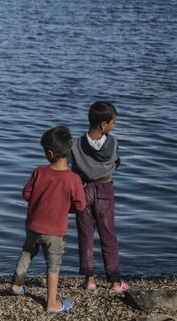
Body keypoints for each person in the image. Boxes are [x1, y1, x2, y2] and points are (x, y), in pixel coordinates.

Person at [9, 126, 86, 313]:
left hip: (33, 226)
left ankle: (16, 286)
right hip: (55, 232)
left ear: (50, 153)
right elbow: (80, 206)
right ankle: (52, 303)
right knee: (53, 265)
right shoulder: (73, 179)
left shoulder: (39, 171)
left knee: (27, 252)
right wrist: (64, 207)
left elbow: (26, 194)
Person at [71, 101, 128, 293]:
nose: (113, 126)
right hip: (105, 189)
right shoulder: (113, 143)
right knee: (108, 235)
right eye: (113, 122)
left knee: (85, 235)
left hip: (82, 190)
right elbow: (117, 162)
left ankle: (90, 280)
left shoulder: (76, 144)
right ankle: (114, 281)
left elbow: (71, 168)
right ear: (103, 124)